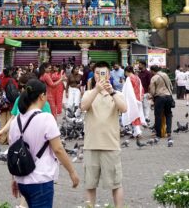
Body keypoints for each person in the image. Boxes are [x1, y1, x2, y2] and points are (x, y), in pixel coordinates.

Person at [8, 79, 80, 207]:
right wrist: (72, 171)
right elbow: (58, 149)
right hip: (41, 179)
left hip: (22, 180)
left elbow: (13, 152)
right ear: (41, 96)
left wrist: (14, 178)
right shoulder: (46, 118)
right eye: (46, 94)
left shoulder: (15, 121)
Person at [81, 62, 127, 208]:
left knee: (116, 184)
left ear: (108, 75)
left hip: (111, 145)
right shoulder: (89, 93)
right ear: (94, 75)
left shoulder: (117, 94)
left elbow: (124, 109)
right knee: (90, 184)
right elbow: (83, 107)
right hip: (91, 145)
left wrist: (111, 91)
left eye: (104, 73)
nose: (100, 76)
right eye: (97, 73)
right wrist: (96, 90)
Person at [147, 65, 174, 139]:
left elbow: (152, 90)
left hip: (159, 97)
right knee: (168, 114)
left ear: (152, 71)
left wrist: (151, 96)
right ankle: (168, 132)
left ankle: (158, 134)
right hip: (168, 96)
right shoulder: (165, 75)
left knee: (158, 115)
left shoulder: (154, 78)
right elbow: (171, 86)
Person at [121, 66, 146, 138]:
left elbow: (127, 90)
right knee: (136, 114)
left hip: (132, 99)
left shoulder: (129, 78)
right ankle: (136, 132)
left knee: (133, 115)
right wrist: (140, 97)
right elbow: (142, 88)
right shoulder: (137, 78)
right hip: (138, 98)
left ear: (126, 72)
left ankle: (137, 131)